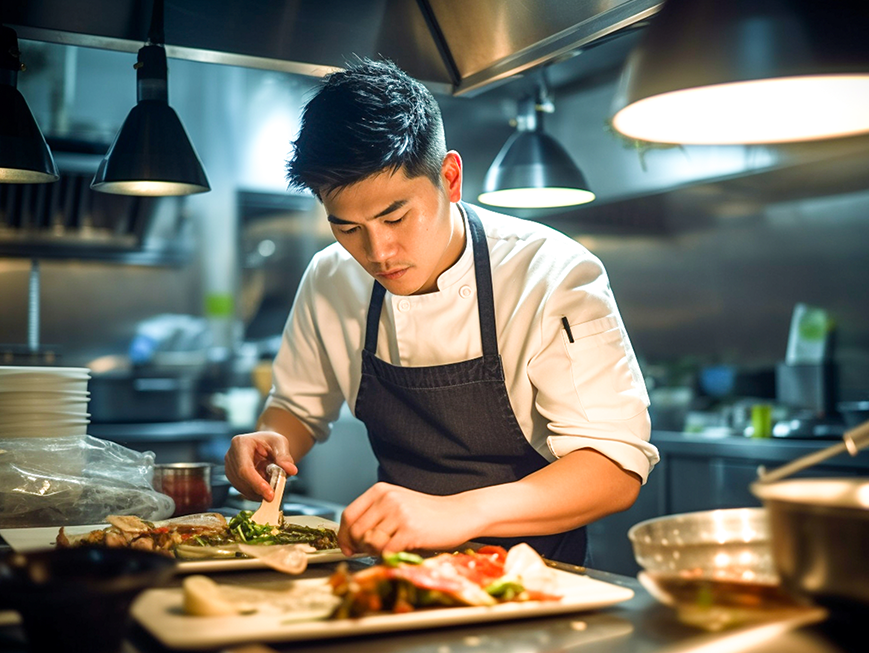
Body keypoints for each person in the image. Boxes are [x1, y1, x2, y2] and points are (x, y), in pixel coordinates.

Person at [224, 58, 659, 566]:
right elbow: (297, 407)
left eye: (396, 216)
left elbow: (613, 468)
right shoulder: (329, 277)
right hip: (393, 568)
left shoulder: (550, 273)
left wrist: (456, 513)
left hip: (532, 577)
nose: (378, 252)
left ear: (449, 178)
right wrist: (272, 442)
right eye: (347, 228)